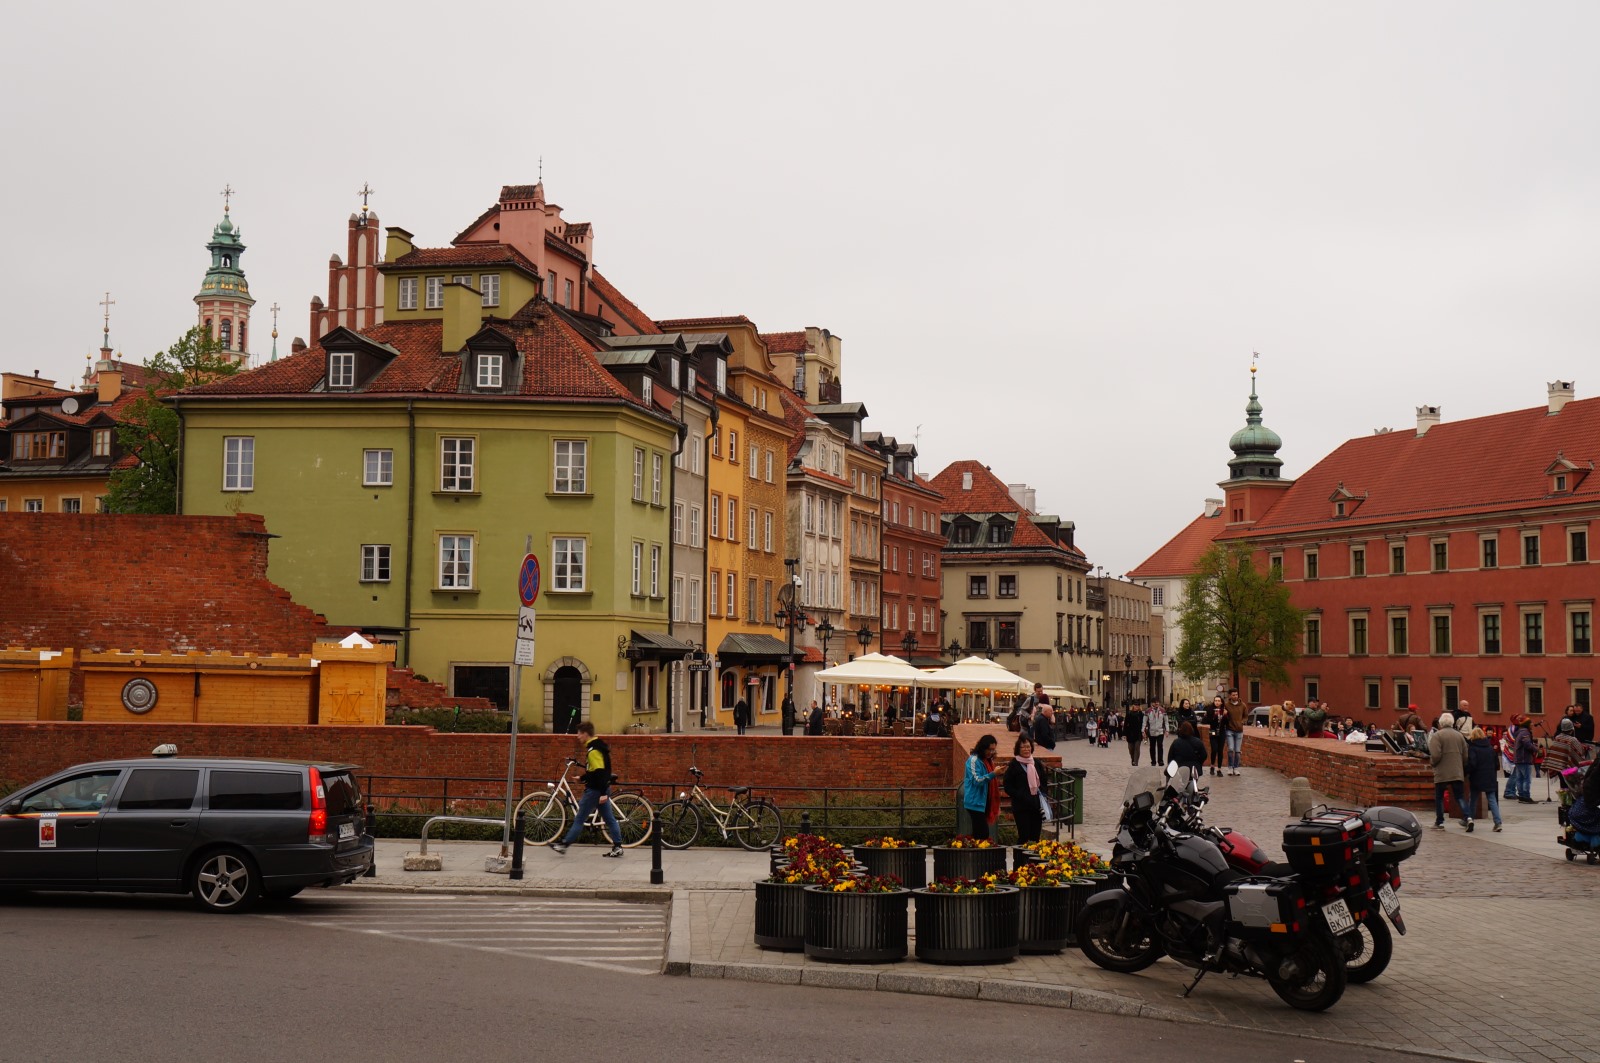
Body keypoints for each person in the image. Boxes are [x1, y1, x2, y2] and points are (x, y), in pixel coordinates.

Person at [551, 722, 623, 857]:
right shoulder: (598, 747)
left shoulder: (593, 750)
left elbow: (600, 773)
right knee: (609, 818)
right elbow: (594, 771)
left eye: (579, 733)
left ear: (585, 734)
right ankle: (618, 846)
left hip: (595, 791)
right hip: (600, 788)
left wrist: (601, 793)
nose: (578, 736)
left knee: (579, 819)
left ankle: (563, 845)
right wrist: (583, 778)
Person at [1429, 711, 1471, 831]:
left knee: (1439, 796)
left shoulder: (1437, 736)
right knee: (1460, 796)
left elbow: (1435, 755)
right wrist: (1461, 766)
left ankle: (1440, 821)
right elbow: (1465, 755)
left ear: (1441, 723)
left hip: (1442, 771)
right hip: (1456, 771)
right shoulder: (1459, 736)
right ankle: (1468, 817)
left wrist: (1432, 763)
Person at [1003, 735, 1045, 844]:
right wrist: (1020, 795)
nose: (1026, 749)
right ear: (1018, 749)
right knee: (1024, 836)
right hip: (1021, 806)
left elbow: (1043, 782)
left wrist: (1043, 796)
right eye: (1023, 747)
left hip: (1036, 805)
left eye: (1028, 746)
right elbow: (1007, 785)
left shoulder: (1036, 763)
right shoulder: (1014, 765)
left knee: (1035, 837)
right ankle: (1020, 860)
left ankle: (1032, 861)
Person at [1463, 726, 1503, 833]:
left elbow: (1472, 763)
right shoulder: (1490, 747)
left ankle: (1470, 819)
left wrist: (1466, 771)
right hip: (1490, 777)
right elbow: (1496, 764)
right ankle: (1498, 822)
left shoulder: (1473, 748)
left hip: (1477, 777)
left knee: (1473, 800)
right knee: (1492, 799)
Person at [961, 735, 1002, 840]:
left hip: (983, 802)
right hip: (975, 802)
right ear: (982, 747)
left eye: (993, 750)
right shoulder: (974, 760)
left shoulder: (987, 761)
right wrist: (993, 774)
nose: (991, 752)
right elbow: (977, 780)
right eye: (989, 749)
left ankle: (975, 851)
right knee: (983, 833)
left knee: (979, 832)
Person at [1507, 714, 1537, 803]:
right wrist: (1536, 749)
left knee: (1520, 778)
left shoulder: (1520, 732)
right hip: (1524, 758)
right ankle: (1526, 796)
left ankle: (1521, 796)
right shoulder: (1525, 733)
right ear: (1527, 724)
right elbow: (1527, 744)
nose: (1532, 725)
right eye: (1531, 723)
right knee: (1526, 779)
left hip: (1519, 758)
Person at [1223, 689, 1248, 775]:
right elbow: (1224, 718)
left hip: (1239, 730)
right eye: (1233, 695)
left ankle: (1236, 767)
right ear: (1230, 696)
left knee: (1237, 751)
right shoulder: (1226, 705)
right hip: (1230, 729)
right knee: (1230, 749)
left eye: (1236, 694)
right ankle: (1230, 767)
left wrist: (1242, 722)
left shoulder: (1243, 705)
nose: (1235, 696)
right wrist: (1225, 715)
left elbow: (1246, 716)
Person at [1207, 696, 1227, 776]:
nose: (1217, 702)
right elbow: (1206, 720)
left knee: (1220, 750)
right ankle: (1212, 766)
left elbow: (1227, 722)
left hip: (1221, 732)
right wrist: (1214, 716)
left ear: (1221, 702)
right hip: (1213, 731)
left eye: (1219, 701)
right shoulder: (1210, 709)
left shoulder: (1224, 710)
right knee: (1214, 749)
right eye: (1215, 700)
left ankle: (1219, 769)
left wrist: (1225, 715)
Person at [1144, 700, 1168, 767]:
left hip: (1160, 731)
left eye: (1158, 702)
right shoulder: (1148, 711)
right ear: (1152, 703)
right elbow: (1144, 721)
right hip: (1151, 731)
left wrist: (1167, 730)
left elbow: (1166, 721)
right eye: (1155, 702)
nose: (1157, 703)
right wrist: (1143, 730)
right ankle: (1153, 761)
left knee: (1160, 745)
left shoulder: (1162, 710)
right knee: (1152, 747)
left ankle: (1160, 761)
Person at [1123, 701, 1146, 768]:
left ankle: (1135, 762)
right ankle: (1133, 759)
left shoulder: (1141, 714)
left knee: (1137, 748)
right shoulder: (1129, 713)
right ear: (1133, 706)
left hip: (1138, 733)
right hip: (1130, 733)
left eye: (1138, 706)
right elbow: (1125, 724)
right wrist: (1124, 734)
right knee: (1131, 748)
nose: (1137, 707)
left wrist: (1144, 731)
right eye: (1135, 705)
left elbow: (1143, 723)